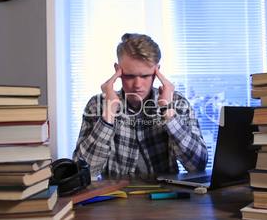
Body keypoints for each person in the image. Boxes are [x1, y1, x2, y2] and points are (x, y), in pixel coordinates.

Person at [73, 33, 208, 177]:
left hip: (165, 196)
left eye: (145, 76)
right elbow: (84, 172)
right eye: (129, 76)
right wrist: (109, 112)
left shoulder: (176, 103)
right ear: (117, 71)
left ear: (157, 72)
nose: (137, 85)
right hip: (115, 196)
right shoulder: (97, 105)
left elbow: (197, 166)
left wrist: (168, 112)